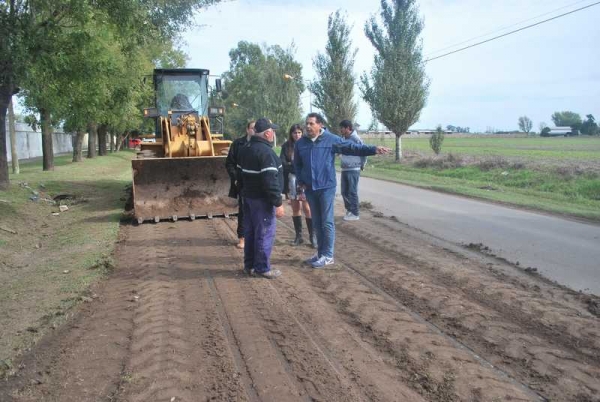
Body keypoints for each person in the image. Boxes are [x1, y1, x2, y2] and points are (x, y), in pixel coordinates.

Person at [294, 113, 390, 268]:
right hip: (310, 188)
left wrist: (373, 149)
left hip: (326, 187)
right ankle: (320, 254)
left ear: (320, 125)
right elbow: (297, 165)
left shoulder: (331, 140)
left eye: (311, 123)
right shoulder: (301, 143)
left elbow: (353, 148)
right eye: (307, 123)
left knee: (326, 221)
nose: (308, 126)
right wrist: (301, 182)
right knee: (316, 222)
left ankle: (328, 256)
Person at [237, 118, 285, 279]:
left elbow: (239, 174)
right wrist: (277, 203)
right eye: (273, 132)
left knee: (250, 233)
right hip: (262, 201)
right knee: (264, 233)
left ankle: (249, 265)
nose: (273, 135)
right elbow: (270, 180)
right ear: (268, 133)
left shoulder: (246, 149)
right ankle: (262, 268)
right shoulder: (266, 152)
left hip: (248, 198)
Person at [280, 124, 316, 247]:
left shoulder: (307, 144)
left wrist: (296, 166)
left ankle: (313, 236)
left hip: (304, 180)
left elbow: (310, 162)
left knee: (307, 208)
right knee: (295, 208)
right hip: (292, 179)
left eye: (299, 132)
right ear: (291, 134)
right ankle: (298, 236)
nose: (297, 135)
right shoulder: (286, 146)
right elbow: (283, 163)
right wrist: (295, 166)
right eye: (295, 133)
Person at [226, 121, 255, 249]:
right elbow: (230, 163)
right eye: (252, 128)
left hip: (257, 183)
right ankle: (242, 238)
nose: (254, 131)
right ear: (247, 129)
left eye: (256, 128)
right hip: (242, 182)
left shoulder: (261, 144)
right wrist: (236, 178)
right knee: (243, 210)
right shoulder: (238, 144)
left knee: (257, 211)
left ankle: (254, 236)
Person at [339, 120, 366, 221]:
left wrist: (362, 164)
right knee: (344, 191)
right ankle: (349, 210)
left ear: (347, 128)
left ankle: (355, 213)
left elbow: (364, 151)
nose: (340, 130)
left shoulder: (356, 138)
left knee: (352, 191)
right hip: (345, 168)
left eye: (342, 128)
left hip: (353, 168)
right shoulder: (343, 139)